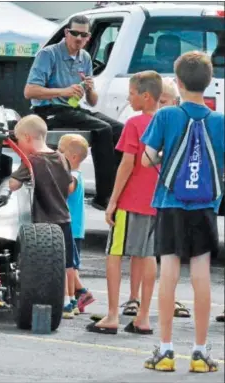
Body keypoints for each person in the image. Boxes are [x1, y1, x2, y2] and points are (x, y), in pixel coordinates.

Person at [141, 51, 224, 373]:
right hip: (204, 206)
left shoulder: (166, 116)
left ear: (176, 82)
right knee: (202, 277)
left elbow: (147, 159)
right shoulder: (219, 121)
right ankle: (200, 353)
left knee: (169, 276)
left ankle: (165, 351)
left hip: (170, 202)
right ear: (209, 83)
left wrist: (165, 155)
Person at [86, 70, 163, 335]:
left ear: (145, 95)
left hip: (132, 201)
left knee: (114, 254)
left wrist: (112, 201)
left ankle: (111, 315)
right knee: (148, 254)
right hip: (158, 202)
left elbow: (127, 164)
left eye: (131, 93)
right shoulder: (169, 122)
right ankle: (143, 317)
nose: (129, 98)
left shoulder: (135, 124)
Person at [24, 14, 124, 210]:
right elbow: (29, 91)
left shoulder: (85, 58)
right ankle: (104, 196)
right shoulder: (49, 54)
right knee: (102, 130)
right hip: (48, 110)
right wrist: (64, 91)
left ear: (88, 38)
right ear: (66, 33)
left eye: (84, 35)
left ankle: (118, 191)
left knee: (121, 130)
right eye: (75, 34)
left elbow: (92, 101)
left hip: (73, 108)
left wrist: (89, 88)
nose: (79, 39)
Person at [120, 78, 191, 319]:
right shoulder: (153, 124)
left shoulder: (177, 124)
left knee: (162, 252)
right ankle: (134, 297)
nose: (161, 106)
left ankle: (165, 298)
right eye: (159, 101)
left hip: (168, 196)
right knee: (142, 251)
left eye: (165, 102)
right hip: (147, 195)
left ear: (175, 101)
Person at [8, 115, 76, 319]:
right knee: (66, 263)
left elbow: (13, 184)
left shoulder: (32, 161)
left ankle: (51, 299)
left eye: (19, 140)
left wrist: (11, 179)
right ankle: (68, 301)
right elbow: (70, 185)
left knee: (46, 263)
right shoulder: (62, 158)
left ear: (27, 138)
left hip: (44, 222)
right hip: (64, 217)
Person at [58, 134, 95, 315]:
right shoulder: (77, 173)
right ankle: (78, 296)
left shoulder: (72, 175)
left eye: (60, 151)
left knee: (69, 266)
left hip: (71, 227)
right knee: (71, 266)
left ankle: (71, 298)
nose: (57, 154)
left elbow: (68, 188)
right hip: (75, 227)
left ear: (72, 157)